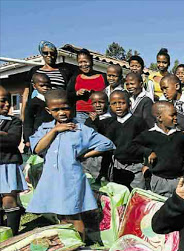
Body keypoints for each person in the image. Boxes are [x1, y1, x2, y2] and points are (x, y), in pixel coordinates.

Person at [27, 89, 115, 240]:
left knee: (73, 213)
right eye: (56, 110)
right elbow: (37, 149)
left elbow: (107, 144)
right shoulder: (45, 128)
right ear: (48, 110)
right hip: (52, 178)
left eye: (65, 108)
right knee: (60, 212)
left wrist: (83, 155)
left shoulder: (80, 129)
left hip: (71, 178)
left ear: (72, 108)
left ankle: (81, 242)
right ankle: (68, 242)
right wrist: (55, 130)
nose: (61, 113)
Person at [131, 102, 184, 197]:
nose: (175, 118)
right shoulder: (148, 135)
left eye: (176, 115)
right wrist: (148, 152)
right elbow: (133, 146)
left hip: (177, 180)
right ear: (159, 118)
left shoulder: (180, 135)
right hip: (158, 180)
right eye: (172, 115)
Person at [0, 86, 27, 236]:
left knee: (9, 199)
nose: (8, 105)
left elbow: (13, 140)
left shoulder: (13, 121)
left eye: (8, 101)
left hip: (7, 164)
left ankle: (13, 234)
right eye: (2, 101)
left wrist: (6, 136)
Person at [22, 41, 72, 121]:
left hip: (58, 109)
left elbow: (69, 91)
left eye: (52, 53)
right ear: (42, 54)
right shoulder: (34, 71)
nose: (49, 55)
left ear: (56, 54)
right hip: (38, 110)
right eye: (46, 53)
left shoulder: (64, 71)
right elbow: (26, 93)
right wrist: (23, 113)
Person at [108, 90, 147, 190]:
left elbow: (147, 142)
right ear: (110, 106)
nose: (118, 106)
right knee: (119, 196)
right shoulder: (111, 124)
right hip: (118, 166)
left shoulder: (138, 122)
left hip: (136, 167)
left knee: (137, 196)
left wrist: (146, 163)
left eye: (121, 103)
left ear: (129, 103)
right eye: (114, 103)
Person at [67, 49, 108, 124]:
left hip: (100, 113)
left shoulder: (103, 77)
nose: (83, 65)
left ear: (91, 61)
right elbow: (67, 95)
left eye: (85, 61)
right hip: (81, 114)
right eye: (80, 62)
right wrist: (77, 93)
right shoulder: (76, 78)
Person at [83, 91, 114, 182]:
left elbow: (102, 139)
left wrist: (94, 123)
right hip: (88, 156)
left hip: (102, 156)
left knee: (100, 182)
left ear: (107, 103)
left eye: (101, 102)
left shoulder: (111, 119)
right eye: (94, 103)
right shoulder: (90, 119)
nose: (98, 105)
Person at [23, 73, 52, 148]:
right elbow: (28, 121)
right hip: (39, 133)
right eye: (42, 85)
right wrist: (27, 139)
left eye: (48, 85)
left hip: (53, 131)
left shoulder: (54, 101)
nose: (45, 88)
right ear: (34, 86)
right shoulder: (32, 102)